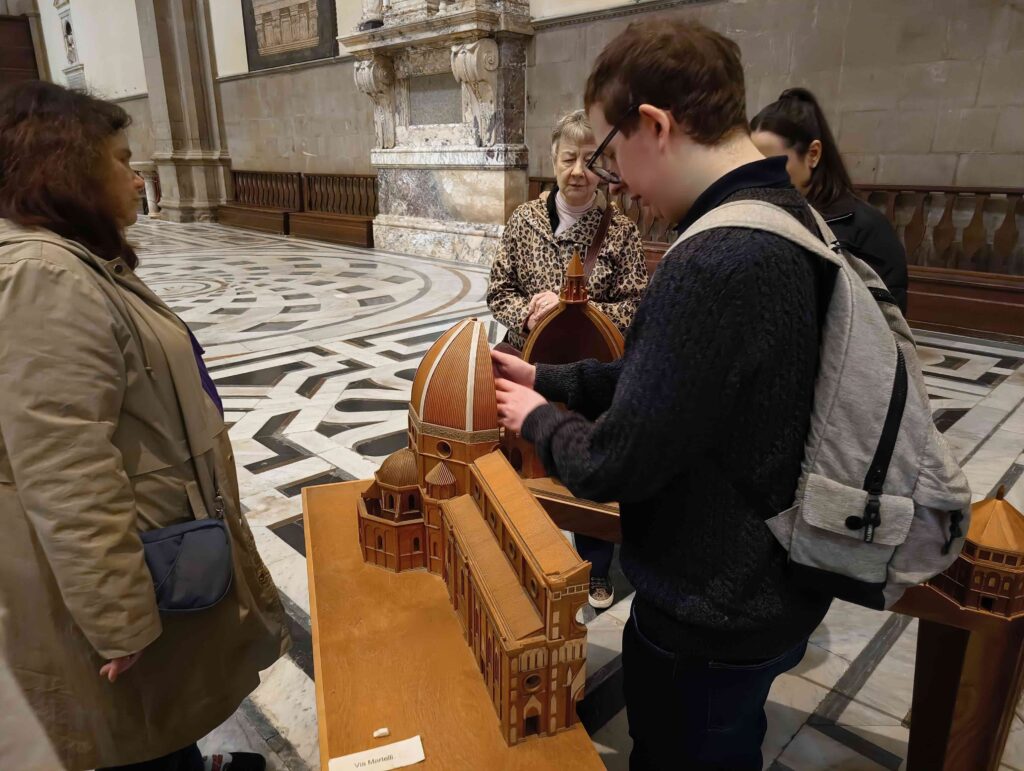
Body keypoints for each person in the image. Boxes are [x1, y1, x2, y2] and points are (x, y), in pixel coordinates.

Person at [492, 20, 833, 770]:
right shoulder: (787, 218)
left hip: (712, 605)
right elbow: (674, 383)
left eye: (614, 161)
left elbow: (616, 463)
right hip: (767, 586)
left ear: (654, 126)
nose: (625, 190)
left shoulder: (713, 259)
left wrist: (537, 418)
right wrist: (548, 376)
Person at [0, 81, 290, 771]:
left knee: (155, 728)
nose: (137, 176)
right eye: (122, 159)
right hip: (113, 592)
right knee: (133, 736)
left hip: (150, 550)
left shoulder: (66, 259)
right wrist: (118, 619)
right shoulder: (44, 274)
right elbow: (65, 467)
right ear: (67, 168)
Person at [487, 108, 648, 610]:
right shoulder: (523, 221)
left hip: (593, 374)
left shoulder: (619, 230)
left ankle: (597, 570)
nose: (577, 171)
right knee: (526, 464)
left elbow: (636, 304)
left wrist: (583, 308)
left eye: (586, 159)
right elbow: (498, 290)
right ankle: (530, 555)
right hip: (531, 362)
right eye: (566, 158)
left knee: (586, 467)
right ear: (552, 162)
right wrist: (529, 311)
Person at [751, 88, 909, 312]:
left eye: (772, 165)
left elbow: (884, 321)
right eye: (753, 166)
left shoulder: (867, 228)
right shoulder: (761, 214)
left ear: (813, 154)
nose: (760, 178)